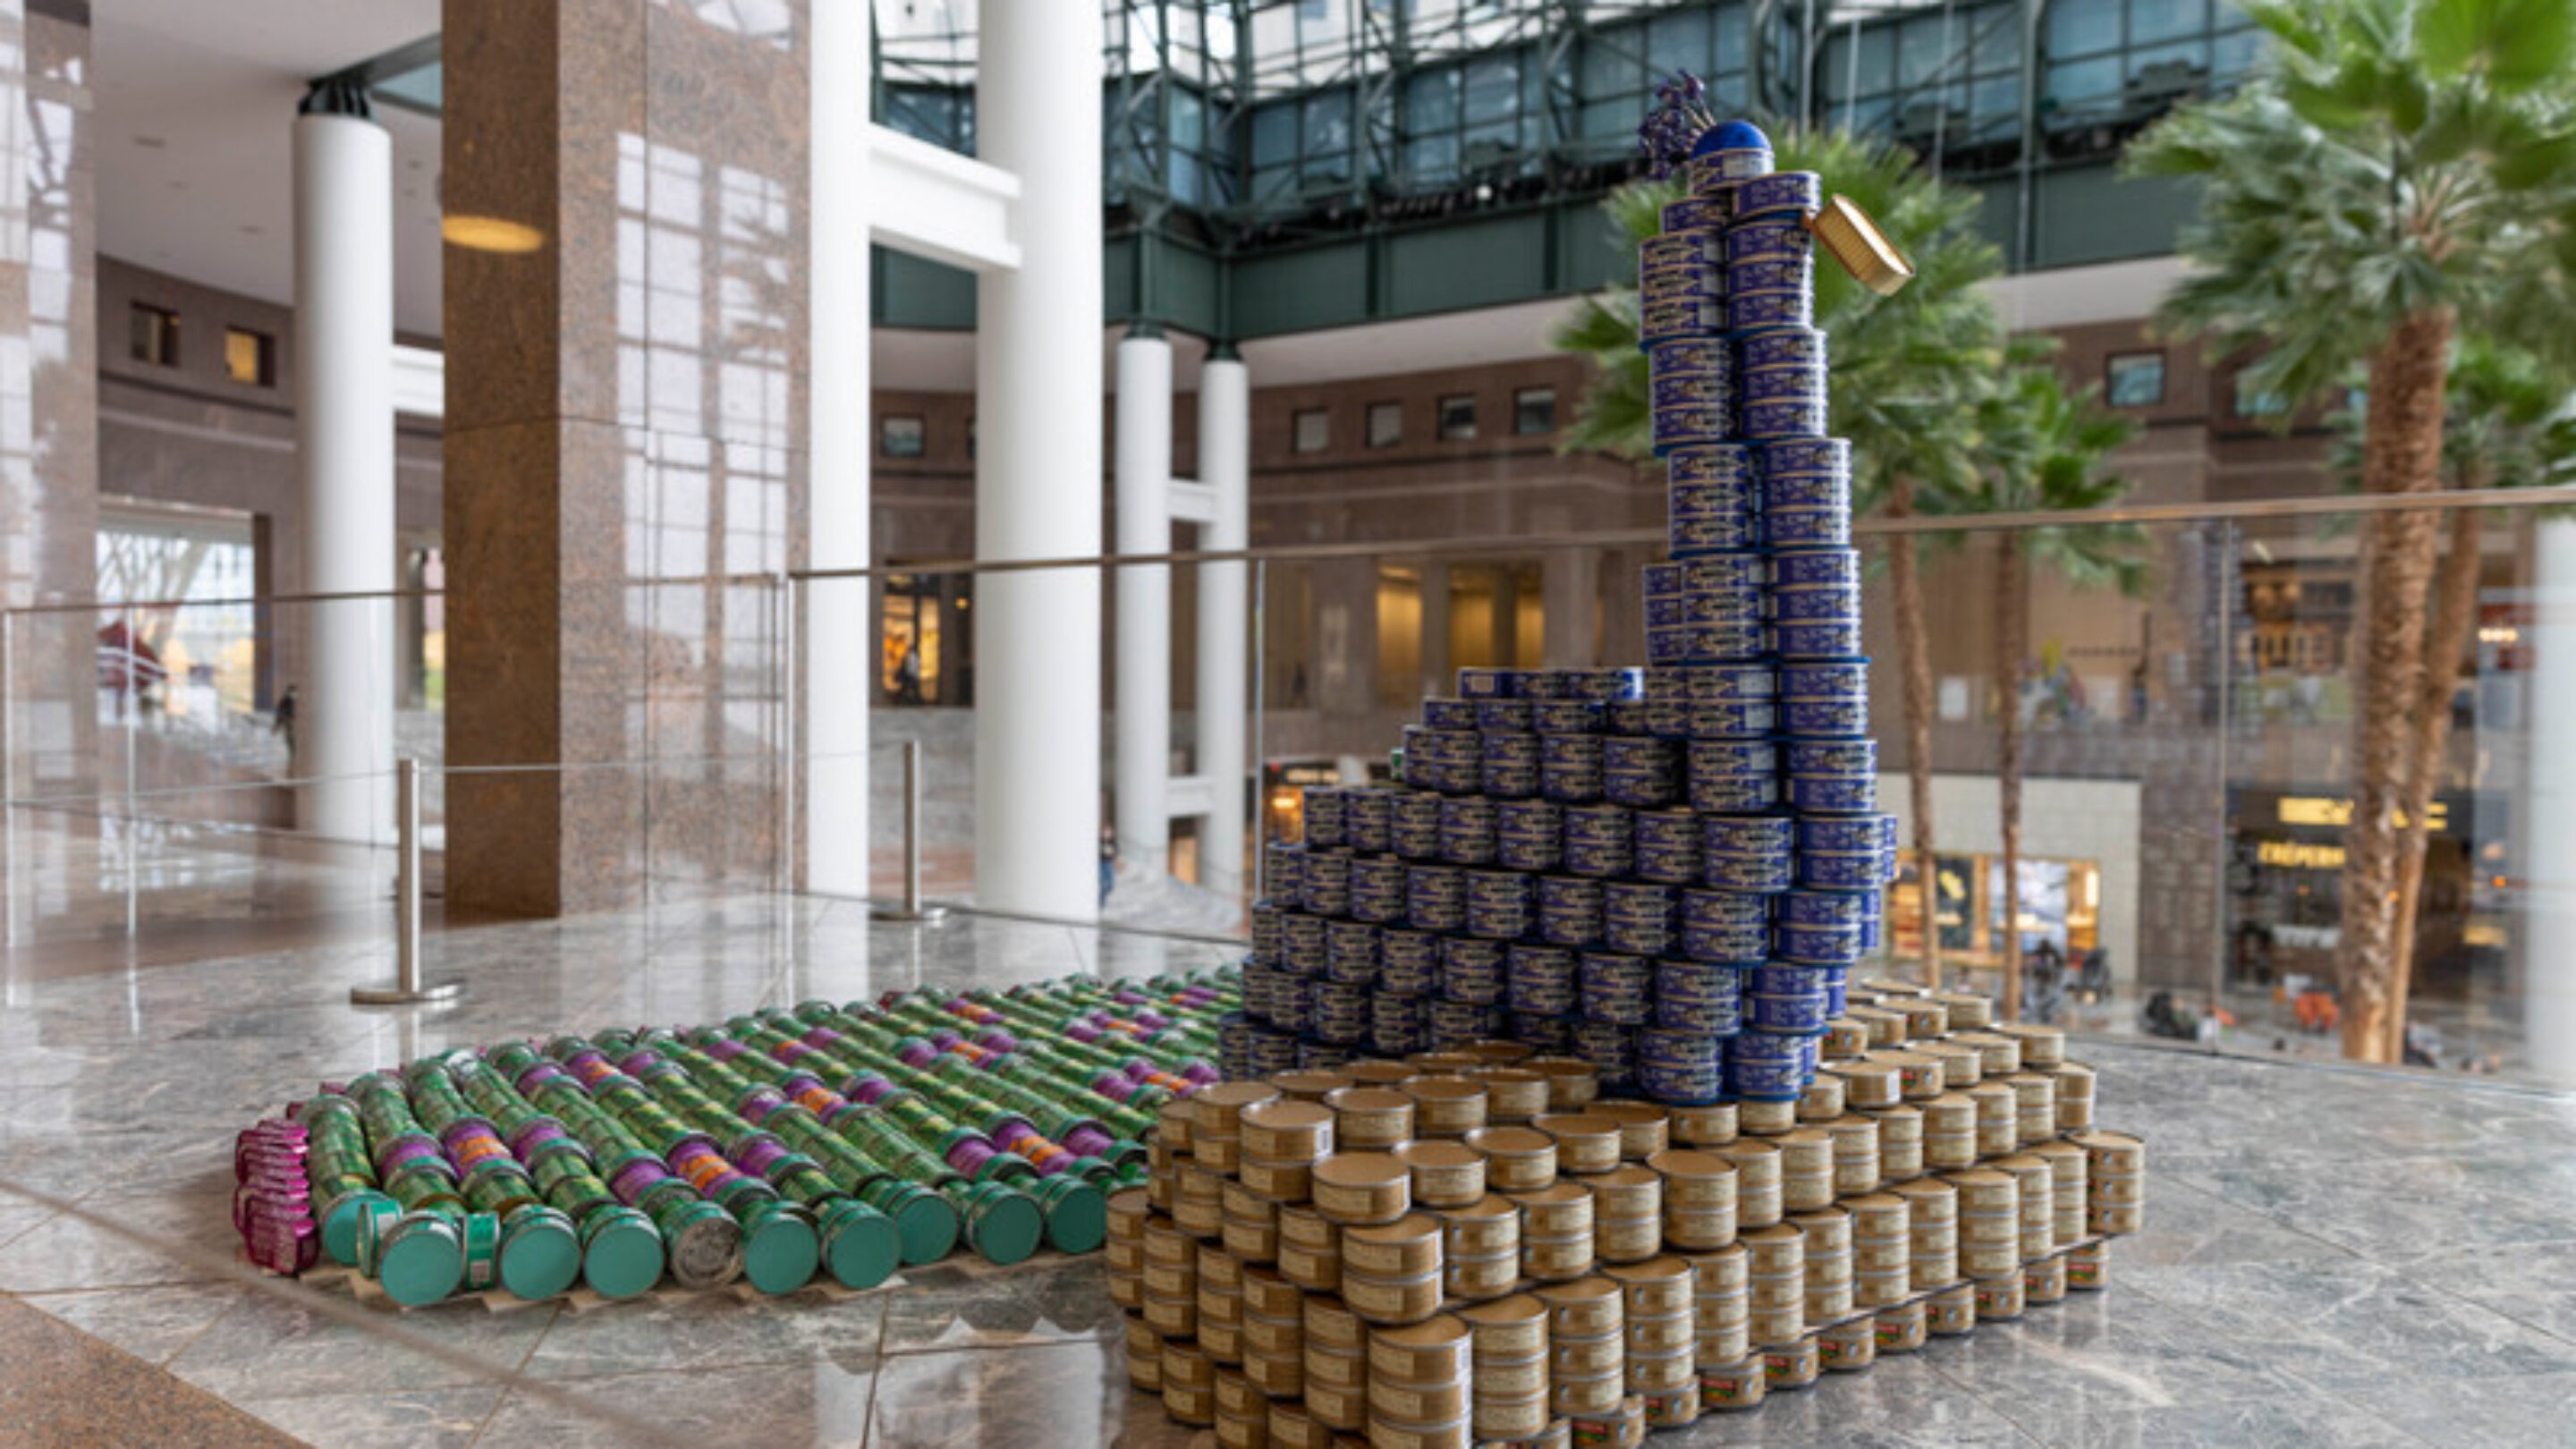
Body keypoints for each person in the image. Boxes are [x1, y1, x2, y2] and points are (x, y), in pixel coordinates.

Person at [894, 640, 924, 704]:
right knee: (911, 689)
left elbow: (909, 666)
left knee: (906, 688)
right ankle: (918, 701)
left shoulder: (910, 656)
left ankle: (899, 699)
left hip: (910, 675)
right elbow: (915, 666)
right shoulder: (915, 656)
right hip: (912, 675)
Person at [273, 685, 298, 752]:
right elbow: (280, 713)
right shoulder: (285, 701)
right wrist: (277, 726)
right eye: (294, 692)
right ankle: (292, 752)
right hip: (286, 721)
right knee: (289, 737)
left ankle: (292, 751)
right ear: (289, 692)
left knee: (290, 738)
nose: (295, 694)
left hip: (289, 721)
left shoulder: (291, 701)